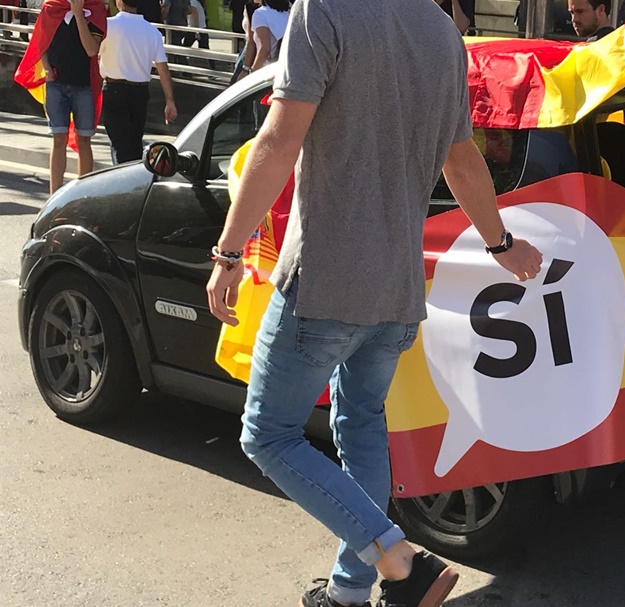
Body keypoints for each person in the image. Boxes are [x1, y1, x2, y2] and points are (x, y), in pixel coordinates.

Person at [205, 0, 542, 605]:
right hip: (397, 289)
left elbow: (279, 140)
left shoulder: (325, 10)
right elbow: (461, 161)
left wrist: (229, 255)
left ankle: (398, 559)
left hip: (326, 280)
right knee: (359, 424)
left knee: (269, 435)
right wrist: (502, 243)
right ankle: (349, 592)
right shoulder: (441, 30)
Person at [21, 0, 107, 194]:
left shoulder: (94, 7)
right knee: (58, 138)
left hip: (84, 85)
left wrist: (78, 15)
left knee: (84, 139)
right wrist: (47, 69)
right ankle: (54, 196)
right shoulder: (51, 6)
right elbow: (41, 42)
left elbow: (92, 49)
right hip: (56, 84)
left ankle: (82, 195)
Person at [98, 0, 176, 164]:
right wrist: (170, 100)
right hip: (140, 92)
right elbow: (163, 68)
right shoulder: (152, 31)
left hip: (114, 88)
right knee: (134, 142)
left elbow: (92, 50)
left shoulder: (108, 25)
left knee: (119, 144)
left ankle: (122, 180)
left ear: (119, 1)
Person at [235, 0, 288, 81]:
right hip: (284, 69)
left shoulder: (260, 14)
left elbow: (264, 49)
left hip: (267, 70)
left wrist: (251, 74)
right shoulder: (287, 13)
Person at [184, 0, 217, 71]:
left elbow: (195, 17)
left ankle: (185, 70)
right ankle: (213, 69)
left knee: (184, 49)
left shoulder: (192, 2)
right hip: (201, 29)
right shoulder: (196, 2)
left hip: (195, 30)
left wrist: (196, 31)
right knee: (206, 50)